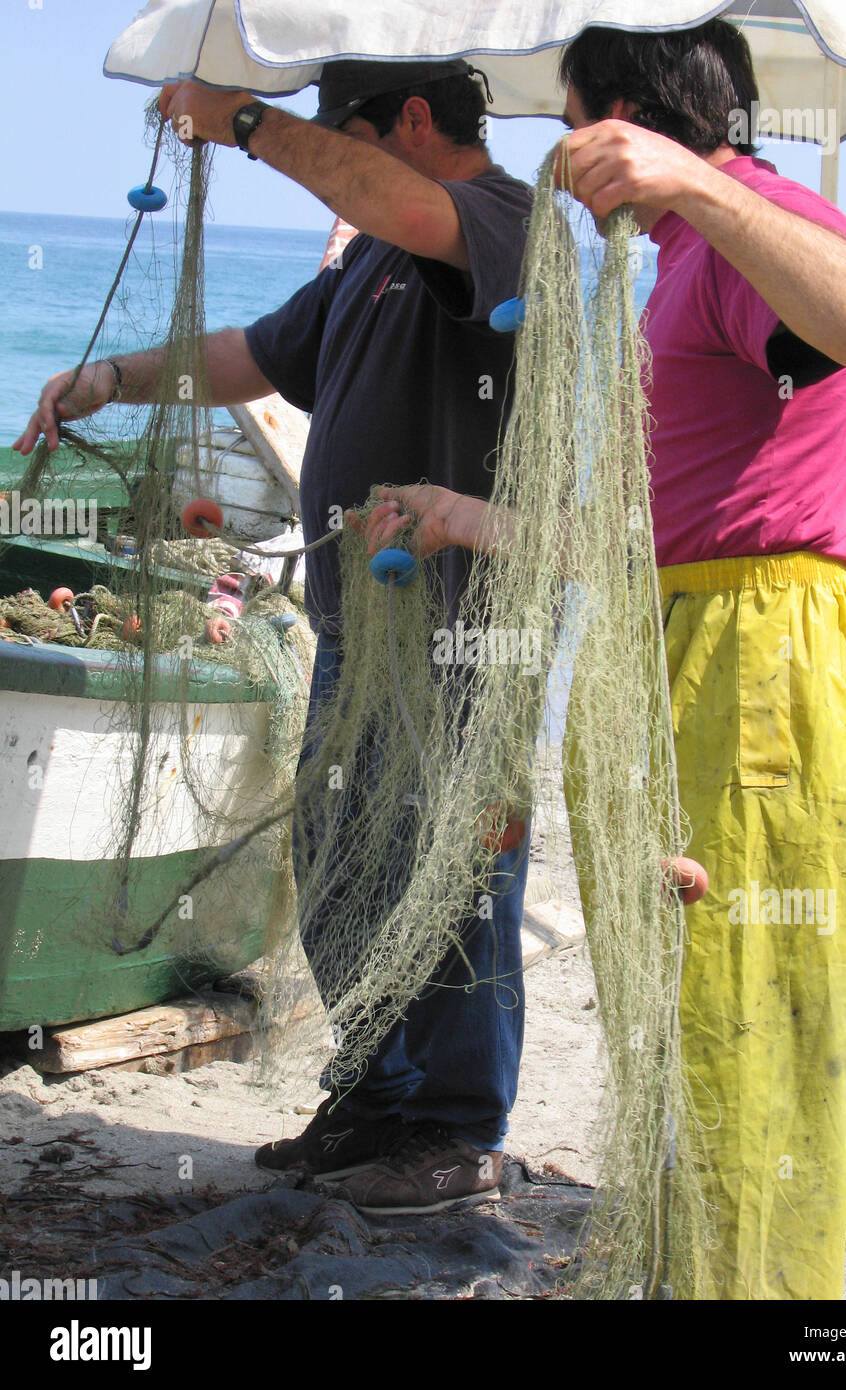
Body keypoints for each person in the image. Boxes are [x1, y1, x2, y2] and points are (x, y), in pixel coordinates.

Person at [367, 20, 846, 1298]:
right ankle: (686, 1272)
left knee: (739, 1007)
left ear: (622, 121)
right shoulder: (666, 264)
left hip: (758, 652)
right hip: (670, 634)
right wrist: (457, 513)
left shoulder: (735, 231)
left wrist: (700, 184)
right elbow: (633, 540)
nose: (551, 159)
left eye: (566, 126)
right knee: (666, 1003)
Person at [15, 59, 535, 1214]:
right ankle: (376, 1097)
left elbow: (402, 203)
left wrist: (244, 122)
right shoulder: (371, 263)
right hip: (356, 634)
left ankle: (456, 1129)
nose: (327, 177)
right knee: (350, 876)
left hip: (458, 646)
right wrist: (111, 376)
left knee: (451, 883)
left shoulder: (496, 223)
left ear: (409, 121)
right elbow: (251, 352)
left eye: (339, 141)